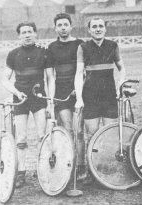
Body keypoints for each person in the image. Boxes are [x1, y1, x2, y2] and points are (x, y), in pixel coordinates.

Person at [74, 17, 126, 178]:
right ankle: (92, 171)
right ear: (89, 30)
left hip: (109, 95)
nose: (98, 29)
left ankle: (107, 169)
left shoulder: (113, 46)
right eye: (94, 27)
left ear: (105, 29)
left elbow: (122, 69)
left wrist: (120, 85)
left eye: (101, 26)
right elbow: (78, 73)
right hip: (90, 96)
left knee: (109, 134)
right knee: (93, 134)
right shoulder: (83, 47)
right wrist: (79, 98)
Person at [2, 22, 49, 188]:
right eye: (23, 32)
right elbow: (4, 80)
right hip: (20, 100)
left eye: (30, 31)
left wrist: (49, 101)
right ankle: (21, 172)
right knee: (20, 138)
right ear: (19, 36)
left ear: (35, 33)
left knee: (42, 136)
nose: (27, 35)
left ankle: (41, 168)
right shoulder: (13, 54)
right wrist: (16, 93)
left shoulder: (43, 52)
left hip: (39, 98)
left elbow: (50, 78)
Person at [45, 13, 86, 180]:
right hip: (61, 93)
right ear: (55, 28)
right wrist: (51, 100)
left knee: (80, 131)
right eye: (59, 25)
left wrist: (80, 89)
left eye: (65, 24)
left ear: (71, 26)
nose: (63, 28)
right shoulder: (51, 47)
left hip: (78, 91)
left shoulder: (80, 44)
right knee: (68, 129)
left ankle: (81, 167)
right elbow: (50, 77)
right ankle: (71, 165)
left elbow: (84, 71)